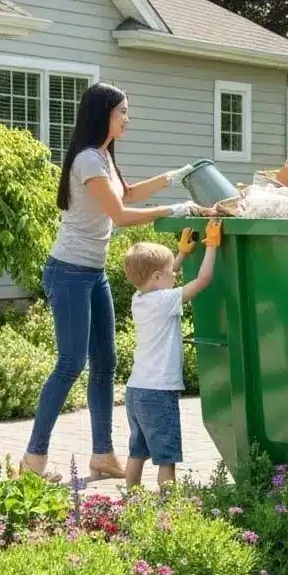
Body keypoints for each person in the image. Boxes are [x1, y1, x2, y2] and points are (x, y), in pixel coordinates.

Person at [21, 82, 213, 483]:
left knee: (105, 363)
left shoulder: (103, 157)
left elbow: (125, 193)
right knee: (71, 363)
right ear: (103, 114)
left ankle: (102, 454)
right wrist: (177, 207)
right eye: (123, 111)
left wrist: (171, 178)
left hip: (91, 273)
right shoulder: (88, 161)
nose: (128, 118)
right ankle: (33, 461)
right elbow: (121, 214)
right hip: (69, 270)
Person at [121, 220, 221, 490]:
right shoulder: (165, 301)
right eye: (170, 272)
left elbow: (160, 279)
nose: (175, 275)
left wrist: (181, 255)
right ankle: (169, 506)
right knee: (167, 458)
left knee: (137, 452)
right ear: (156, 278)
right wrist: (211, 246)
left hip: (135, 391)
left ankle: (132, 498)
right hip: (158, 393)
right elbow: (203, 280)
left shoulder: (140, 298)